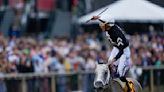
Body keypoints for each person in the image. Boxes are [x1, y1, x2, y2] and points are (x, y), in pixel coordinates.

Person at [90, 16, 132, 92]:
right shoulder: (109, 27)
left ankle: (128, 89)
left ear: (108, 25)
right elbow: (105, 20)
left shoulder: (116, 33)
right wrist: (97, 18)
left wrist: (114, 59)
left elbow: (121, 51)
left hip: (124, 51)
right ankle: (106, 85)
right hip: (116, 48)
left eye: (103, 24)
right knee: (107, 66)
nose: (101, 25)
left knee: (120, 71)